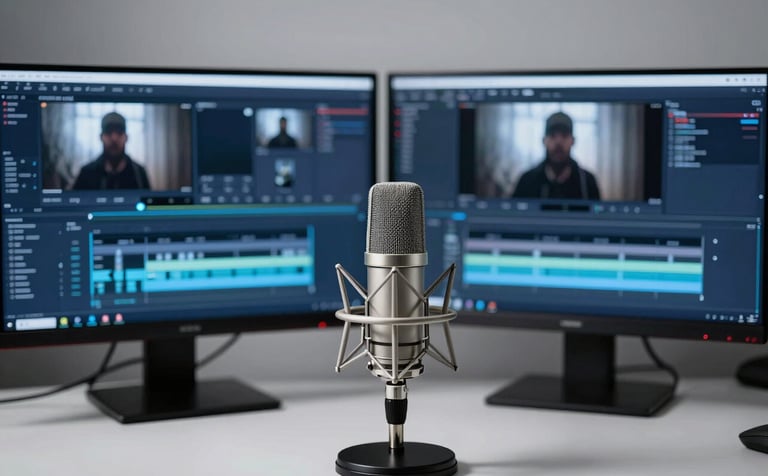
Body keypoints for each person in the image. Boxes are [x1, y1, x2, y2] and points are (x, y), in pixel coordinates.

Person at [512, 112, 600, 200]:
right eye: (552, 135)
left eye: (564, 136)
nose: (558, 142)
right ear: (544, 141)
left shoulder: (587, 182)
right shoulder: (527, 181)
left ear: (573, 141)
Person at [72, 112, 151, 190]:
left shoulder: (139, 174)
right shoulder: (86, 173)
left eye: (119, 132)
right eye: (108, 132)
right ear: (101, 137)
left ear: (126, 137)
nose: (114, 138)